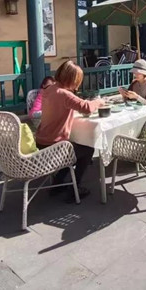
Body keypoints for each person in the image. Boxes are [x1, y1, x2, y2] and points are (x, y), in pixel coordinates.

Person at [36, 61, 104, 200]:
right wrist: (99, 101)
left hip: (41, 143)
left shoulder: (49, 89)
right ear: (73, 79)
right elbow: (86, 108)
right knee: (87, 149)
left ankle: (58, 184)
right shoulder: (64, 94)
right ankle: (75, 188)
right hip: (55, 147)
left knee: (72, 149)